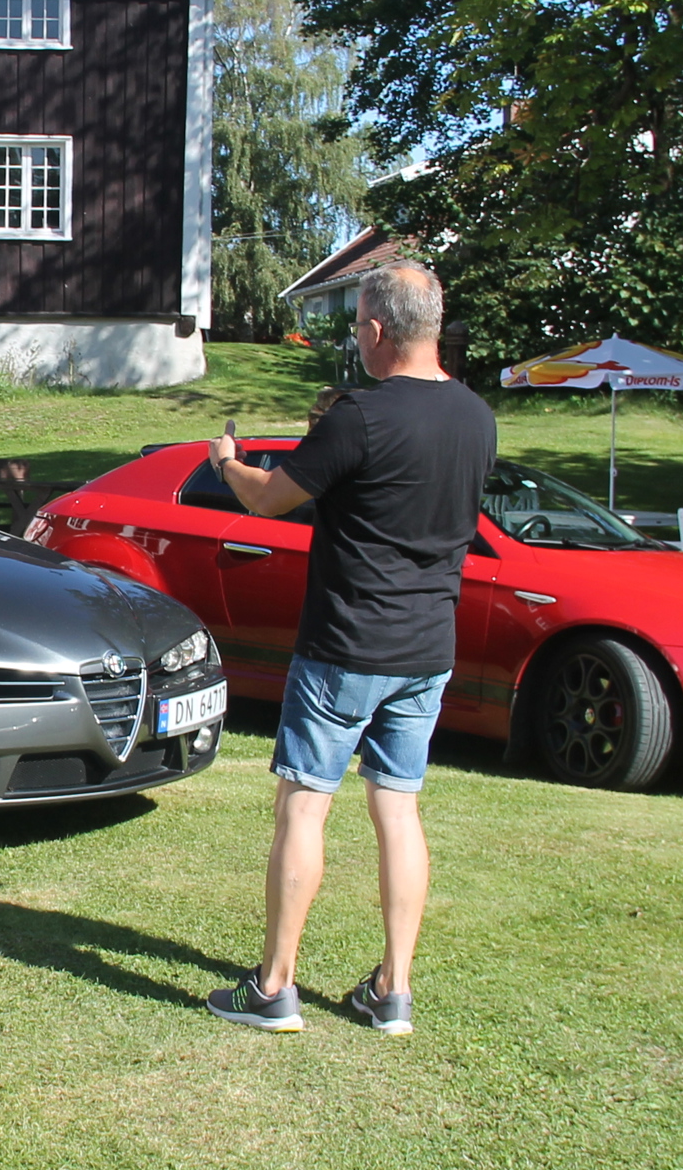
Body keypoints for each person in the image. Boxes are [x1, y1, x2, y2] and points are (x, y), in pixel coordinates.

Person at [201, 262, 496, 1036]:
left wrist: (225, 461)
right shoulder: (478, 417)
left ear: (376, 329)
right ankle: (393, 991)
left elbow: (270, 498)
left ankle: (274, 988)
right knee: (398, 808)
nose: (356, 338)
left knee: (304, 804)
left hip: (345, 646)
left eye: (358, 325)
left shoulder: (359, 416)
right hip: (428, 649)